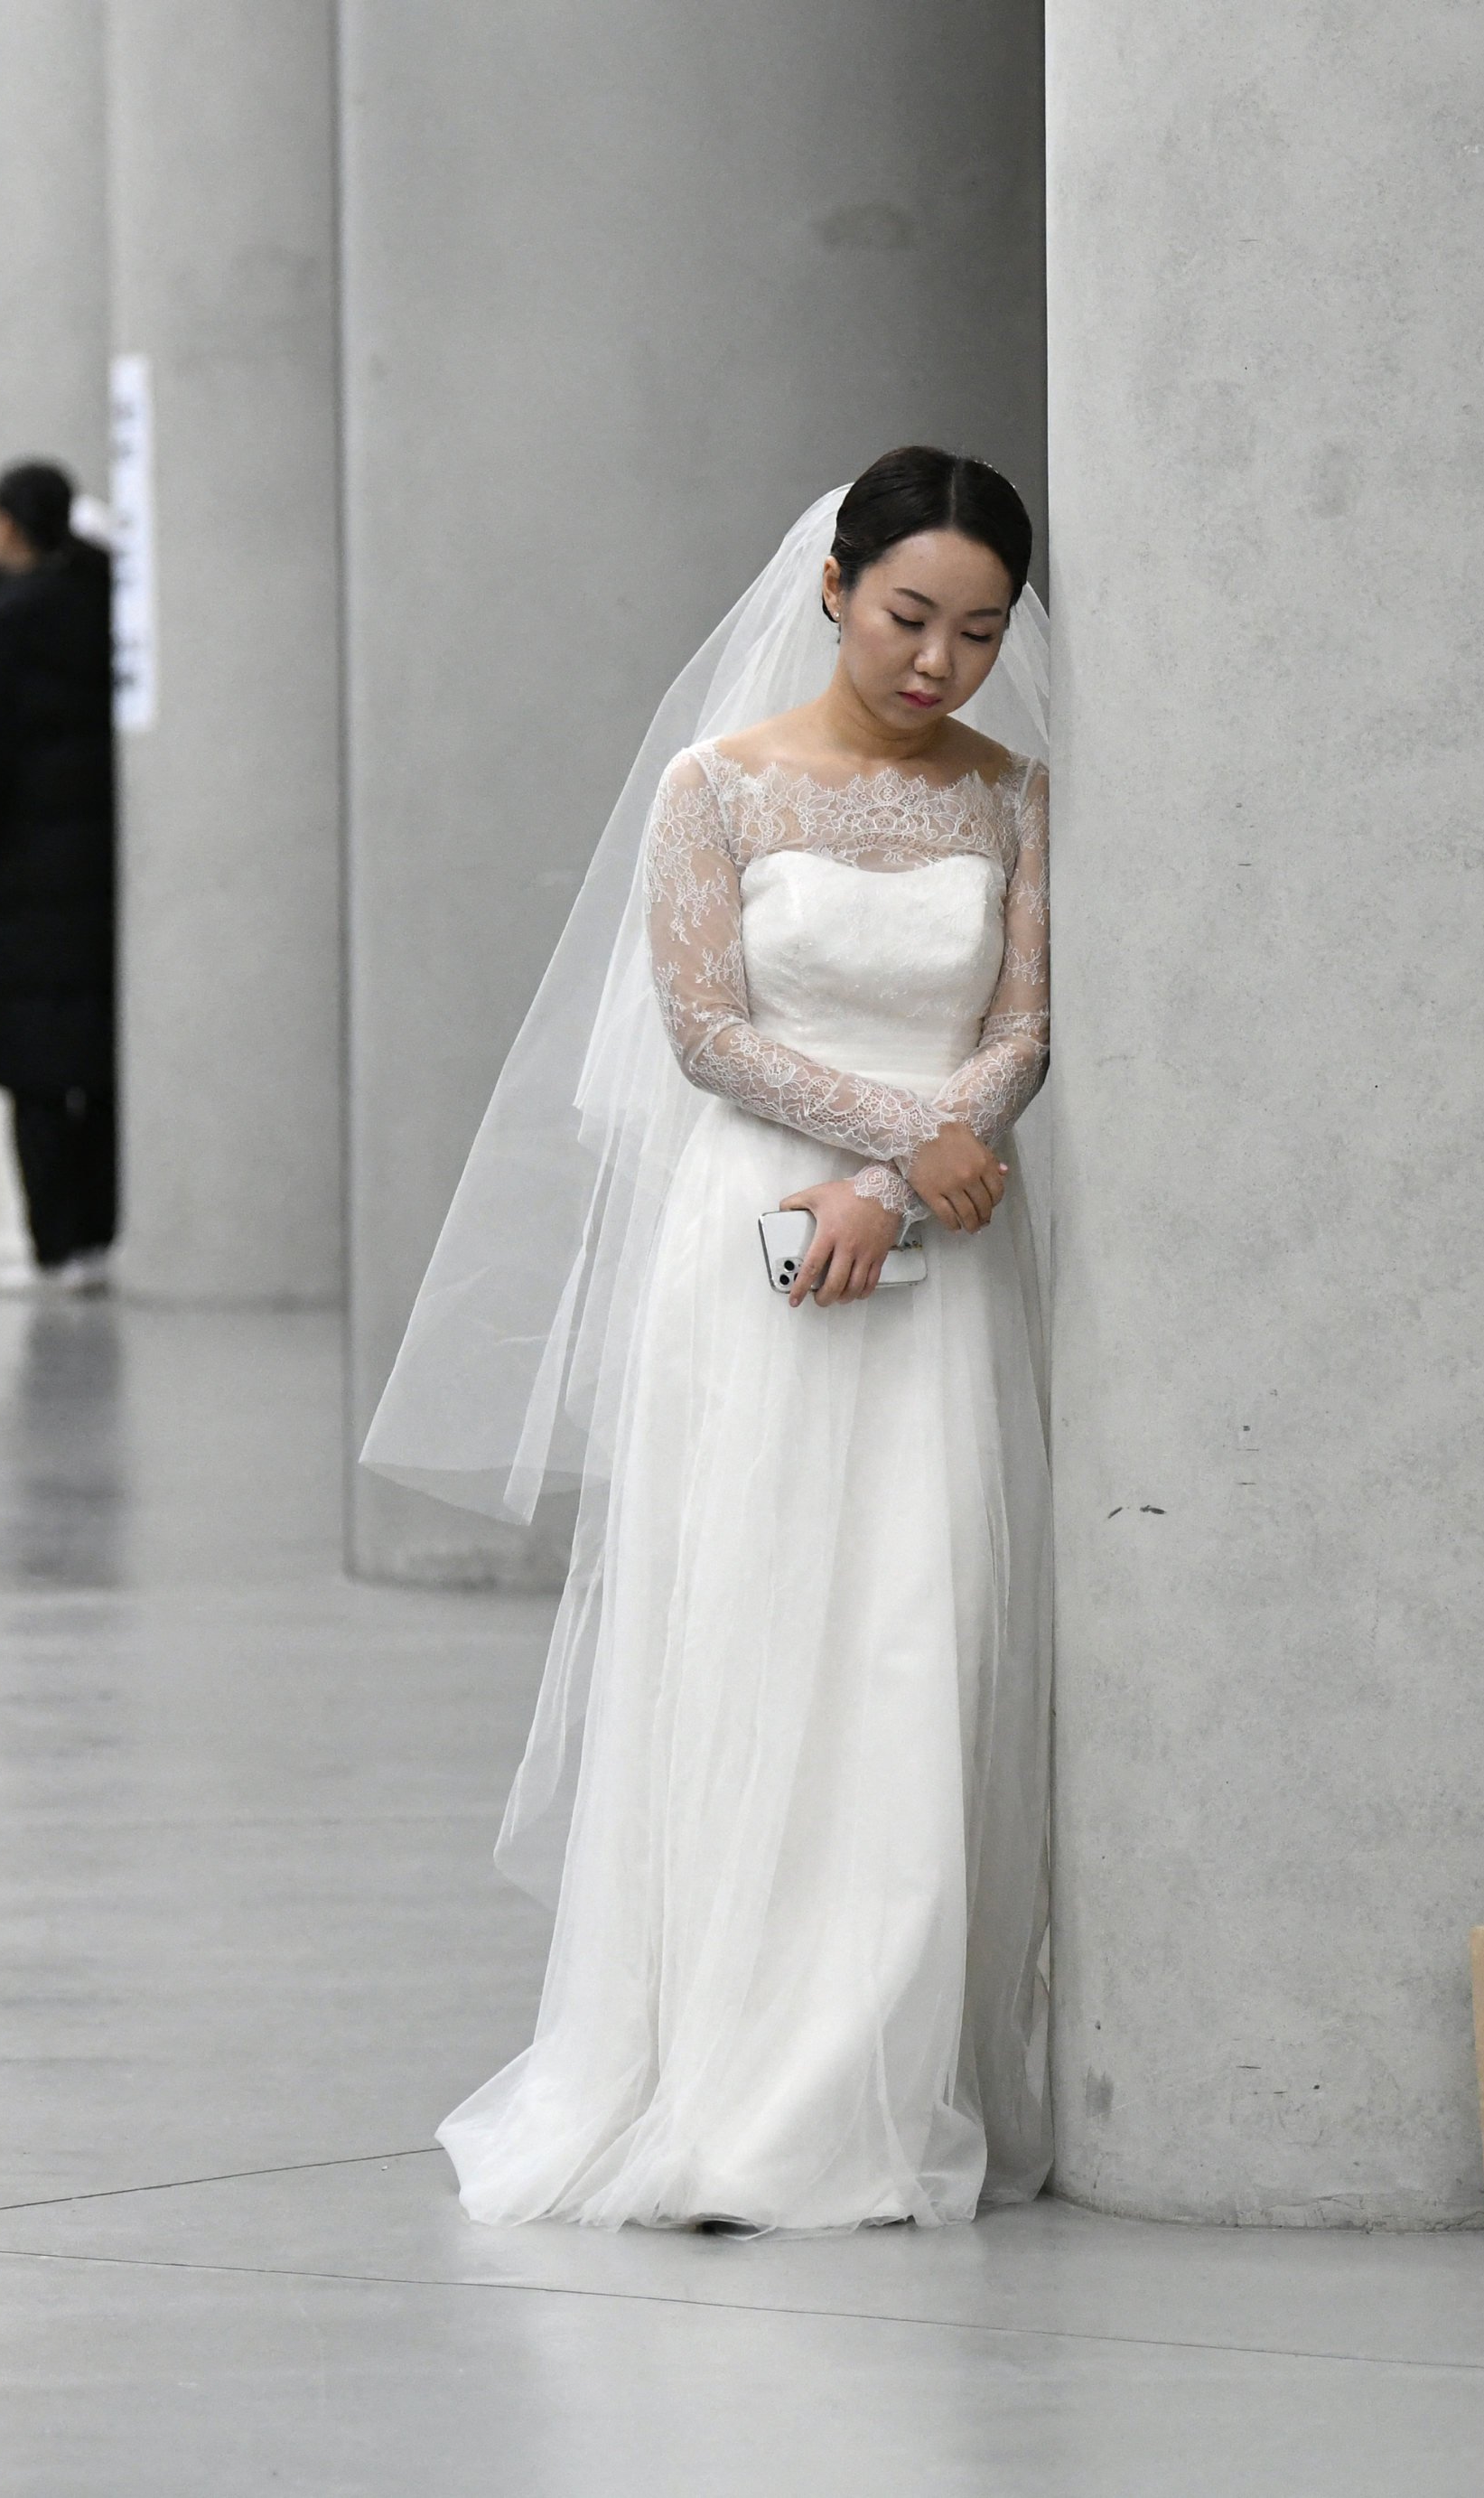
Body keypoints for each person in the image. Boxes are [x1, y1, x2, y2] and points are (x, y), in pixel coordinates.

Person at [367, 449, 1058, 2232]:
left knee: (924, 1634)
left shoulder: (1008, 791)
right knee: (757, 1624)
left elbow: (1025, 1024)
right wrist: (893, 1154)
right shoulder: (717, 784)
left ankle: (884, 2072)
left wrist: (905, 1185)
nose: (938, 662)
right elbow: (702, 1030)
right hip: (762, 1245)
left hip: (940, 1256)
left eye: (979, 630)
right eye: (910, 615)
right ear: (831, 585)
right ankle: (728, 2071)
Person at [0, 461, 115, 1294]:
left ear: (9, 524)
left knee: (36, 1068)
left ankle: (55, 1245)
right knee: (100, 1057)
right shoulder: (102, 605)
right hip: (101, 871)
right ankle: (103, 1231)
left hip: (22, 873)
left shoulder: (5, 626)